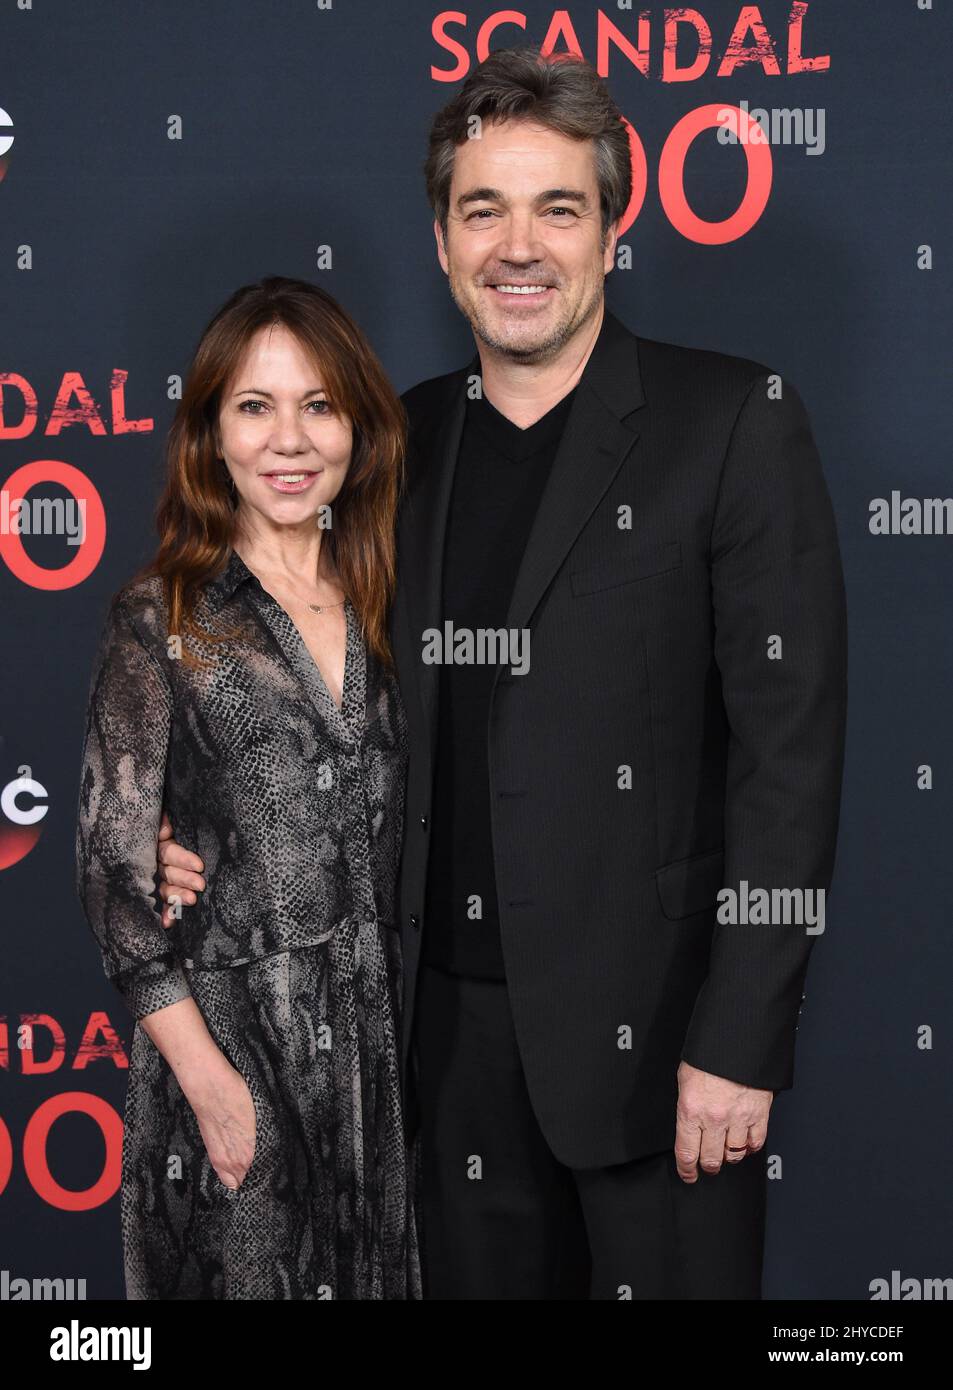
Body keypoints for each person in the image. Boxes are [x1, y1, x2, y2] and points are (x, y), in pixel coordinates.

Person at [157, 46, 848, 1299]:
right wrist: (196, 825)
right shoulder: (392, 443)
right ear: (440, 241)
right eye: (484, 210)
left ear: (611, 230)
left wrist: (740, 1041)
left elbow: (787, 756)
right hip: (436, 1051)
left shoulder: (732, 421)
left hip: (663, 1053)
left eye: (556, 208)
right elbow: (293, 679)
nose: (516, 246)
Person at [75, 277, 420, 1300]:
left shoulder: (391, 602)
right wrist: (213, 1086)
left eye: (318, 404)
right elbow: (111, 874)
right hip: (233, 1049)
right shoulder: (163, 615)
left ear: (356, 425)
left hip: (379, 1060)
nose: (290, 439)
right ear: (212, 434)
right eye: (254, 406)